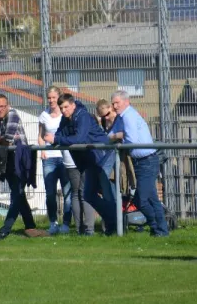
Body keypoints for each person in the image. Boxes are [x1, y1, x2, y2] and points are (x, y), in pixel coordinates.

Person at [45, 93, 117, 235]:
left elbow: (80, 138)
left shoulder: (82, 116)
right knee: (90, 194)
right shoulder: (66, 119)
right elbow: (60, 134)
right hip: (89, 159)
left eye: (66, 107)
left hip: (102, 155)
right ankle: (114, 222)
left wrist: (56, 139)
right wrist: (56, 139)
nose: (64, 110)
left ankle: (116, 222)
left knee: (104, 191)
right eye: (61, 108)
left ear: (73, 105)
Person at [0, 94, 48, 241]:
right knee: (19, 194)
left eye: (2, 106)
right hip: (6, 159)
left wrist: (0, 139)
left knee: (16, 195)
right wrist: (1, 140)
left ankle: (4, 230)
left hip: (19, 158)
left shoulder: (13, 115)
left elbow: (7, 139)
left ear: (8, 106)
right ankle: (30, 227)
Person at [111, 90, 169, 237]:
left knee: (142, 200)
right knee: (149, 198)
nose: (114, 106)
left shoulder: (128, 116)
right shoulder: (124, 116)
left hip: (147, 161)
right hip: (142, 162)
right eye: (113, 103)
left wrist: (117, 136)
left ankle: (157, 227)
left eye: (117, 103)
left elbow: (131, 140)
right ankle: (160, 230)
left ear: (126, 102)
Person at [38, 86, 72, 235]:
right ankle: (53, 222)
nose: (51, 100)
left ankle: (66, 223)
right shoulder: (43, 115)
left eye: (54, 97)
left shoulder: (65, 114)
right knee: (50, 193)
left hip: (65, 157)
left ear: (59, 97)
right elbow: (40, 136)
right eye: (49, 98)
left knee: (67, 192)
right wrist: (42, 150)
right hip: (49, 159)